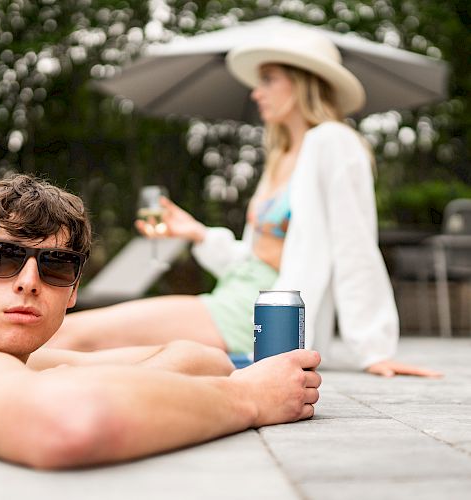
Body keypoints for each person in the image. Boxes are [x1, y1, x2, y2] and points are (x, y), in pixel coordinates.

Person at [49, 29, 440, 378]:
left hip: (265, 311)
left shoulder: (332, 142)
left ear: (304, 83)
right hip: (237, 298)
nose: (256, 92)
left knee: (75, 333)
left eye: (269, 79)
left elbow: (353, 244)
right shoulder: (281, 156)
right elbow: (256, 257)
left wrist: (373, 348)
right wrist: (198, 234)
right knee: (93, 347)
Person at [0, 174, 321, 469]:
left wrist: (109, 390)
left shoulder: (23, 361)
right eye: (1, 257)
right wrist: (250, 397)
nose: (29, 281)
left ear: (74, 289)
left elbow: (204, 359)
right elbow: (69, 423)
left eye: (56, 264)